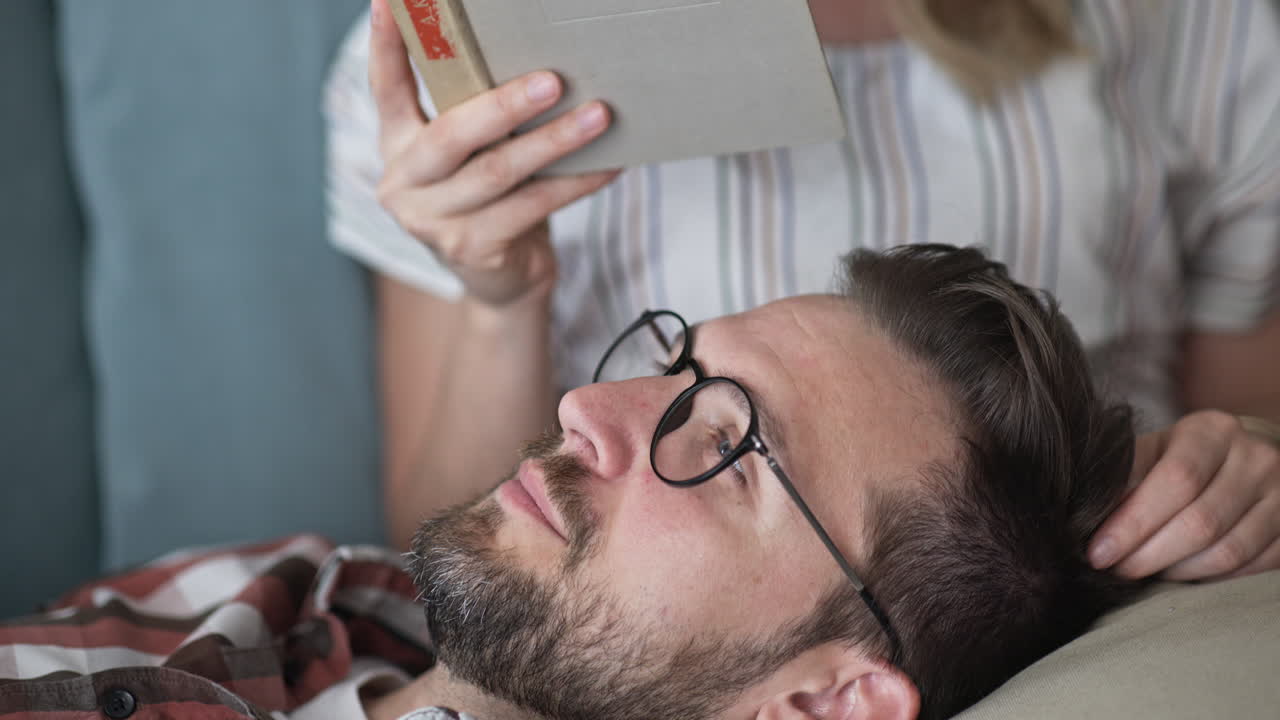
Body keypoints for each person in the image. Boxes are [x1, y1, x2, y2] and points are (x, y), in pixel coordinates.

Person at [325, 0, 1280, 584]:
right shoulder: (460, 63)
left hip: (1095, 611)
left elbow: (1243, 416)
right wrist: (502, 301)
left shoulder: (1193, 28)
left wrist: (1242, 470)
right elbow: (443, 554)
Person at [1, 246, 1153, 719]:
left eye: (727, 449)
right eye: (676, 370)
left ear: (820, 706)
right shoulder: (316, 596)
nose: (584, 410)